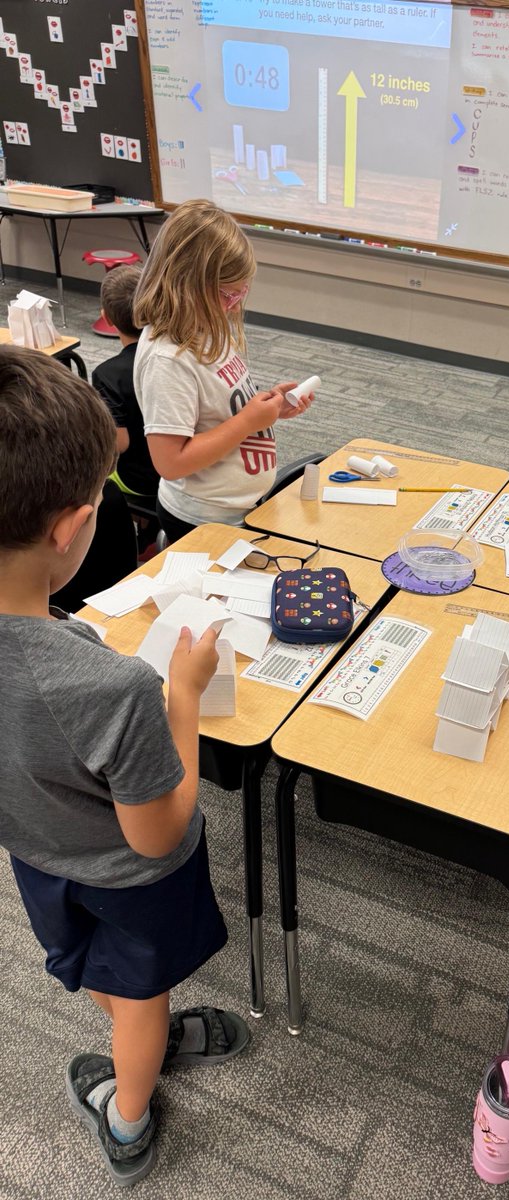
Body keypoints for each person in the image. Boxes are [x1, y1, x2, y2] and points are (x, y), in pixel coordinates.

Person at [0, 346, 250, 1184]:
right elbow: (158, 833)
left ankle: (134, 1032)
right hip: (127, 880)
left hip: (37, 860)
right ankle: (129, 1109)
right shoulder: (116, 690)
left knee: (108, 977)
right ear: (71, 527)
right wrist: (183, 698)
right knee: (140, 999)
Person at [133, 198, 314, 544]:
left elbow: (222, 408)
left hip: (238, 506)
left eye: (240, 294)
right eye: (227, 295)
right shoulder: (167, 360)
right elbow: (171, 462)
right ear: (185, 285)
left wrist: (272, 406)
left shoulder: (207, 324)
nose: (234, 305)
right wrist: (248, 421)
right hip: (203, 517)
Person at [92, 264, 159, 508]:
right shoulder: (175, 356)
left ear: (107, 318)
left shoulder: (106, 374)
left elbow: (119, 444)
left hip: (139, 481)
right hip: (187, 474)